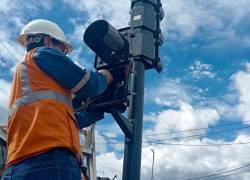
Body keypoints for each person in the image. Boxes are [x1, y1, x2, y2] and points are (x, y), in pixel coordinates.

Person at [1, 19, 113, 180]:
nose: (62, 56)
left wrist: (97, 111)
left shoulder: (31, 80)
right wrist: (105, 77)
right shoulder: (42, 53)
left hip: (18, 167)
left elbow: (67, 121)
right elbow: (91, 84)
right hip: (48, 162)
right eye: (62, 50)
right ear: (47, 40)